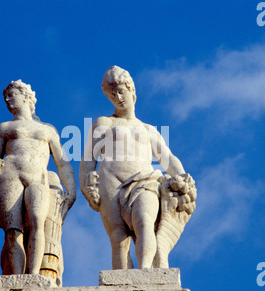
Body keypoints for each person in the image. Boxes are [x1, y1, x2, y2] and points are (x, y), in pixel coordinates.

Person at [80, 66, 189, 269]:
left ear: (132, 90)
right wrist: (87, 188)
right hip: (109, 180)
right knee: (118, 237)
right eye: (112, 95)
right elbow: (88, 160)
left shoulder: (147, 129)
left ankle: (146, 271)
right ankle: (122, 281)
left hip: (144, 179)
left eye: (121, 91)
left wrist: (182, 176)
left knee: (144, 222)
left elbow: (168, 158)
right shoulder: (103, 123)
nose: (118, 98)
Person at [0, 80, 76, 275]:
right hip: (9, 174)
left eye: (11, 94)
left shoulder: (47, 130)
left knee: (36, 220)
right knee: (12, 229)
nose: (8, 99)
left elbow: (63, 163)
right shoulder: (4, 127)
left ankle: (34, 275)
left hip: (37, 175)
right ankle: (16, 277)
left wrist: (71, 191)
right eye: (5, 97)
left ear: (25, 96)